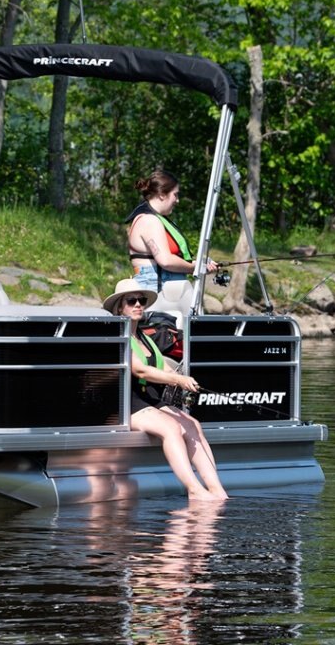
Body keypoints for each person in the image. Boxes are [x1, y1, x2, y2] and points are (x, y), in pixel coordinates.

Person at [103, 278, 227, 501]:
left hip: (148, 398)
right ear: (119, 307)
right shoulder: (118, 336)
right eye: (131, 301)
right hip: (125, 403)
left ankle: (217, 489)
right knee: (171, 427)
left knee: (192, 425)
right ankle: (194, 490)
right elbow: (140, 371)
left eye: (141, 300)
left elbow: (163, 367)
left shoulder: (145, 338)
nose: (138, 304)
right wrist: (177, 380)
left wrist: (182, 378)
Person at [125, 169, 218, 291]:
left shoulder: (155, 219)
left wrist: (199, 264)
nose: (177, 200)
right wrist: (196, 268)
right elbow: (166, 260)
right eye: (175, 194)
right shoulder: (149, 221)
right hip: (156, 290)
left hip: (164, 288)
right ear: (162, 195)